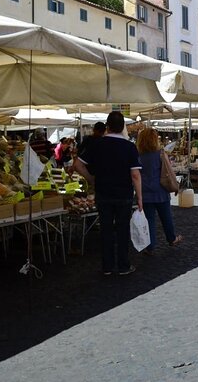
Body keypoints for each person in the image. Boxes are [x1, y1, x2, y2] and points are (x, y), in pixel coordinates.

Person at [74, 111, 143, 276]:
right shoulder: (129, 147)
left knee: (105, 230)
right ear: (122, 128)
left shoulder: (97, 144)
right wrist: (140, 197)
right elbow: (135, 175)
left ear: (108, 126)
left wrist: (91, 179)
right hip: (123, 194)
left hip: (103, 193)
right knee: (122, 229)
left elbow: (78, 165)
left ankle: (107, 266)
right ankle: (123, 265)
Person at [136, 128, 182, 254]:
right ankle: (172, 238)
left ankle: (150, 247)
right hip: (161, 189)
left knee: (149, 220)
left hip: (145, 191)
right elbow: (168, 170)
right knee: (166, 216)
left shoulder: (138, 155)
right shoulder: (160, 154)